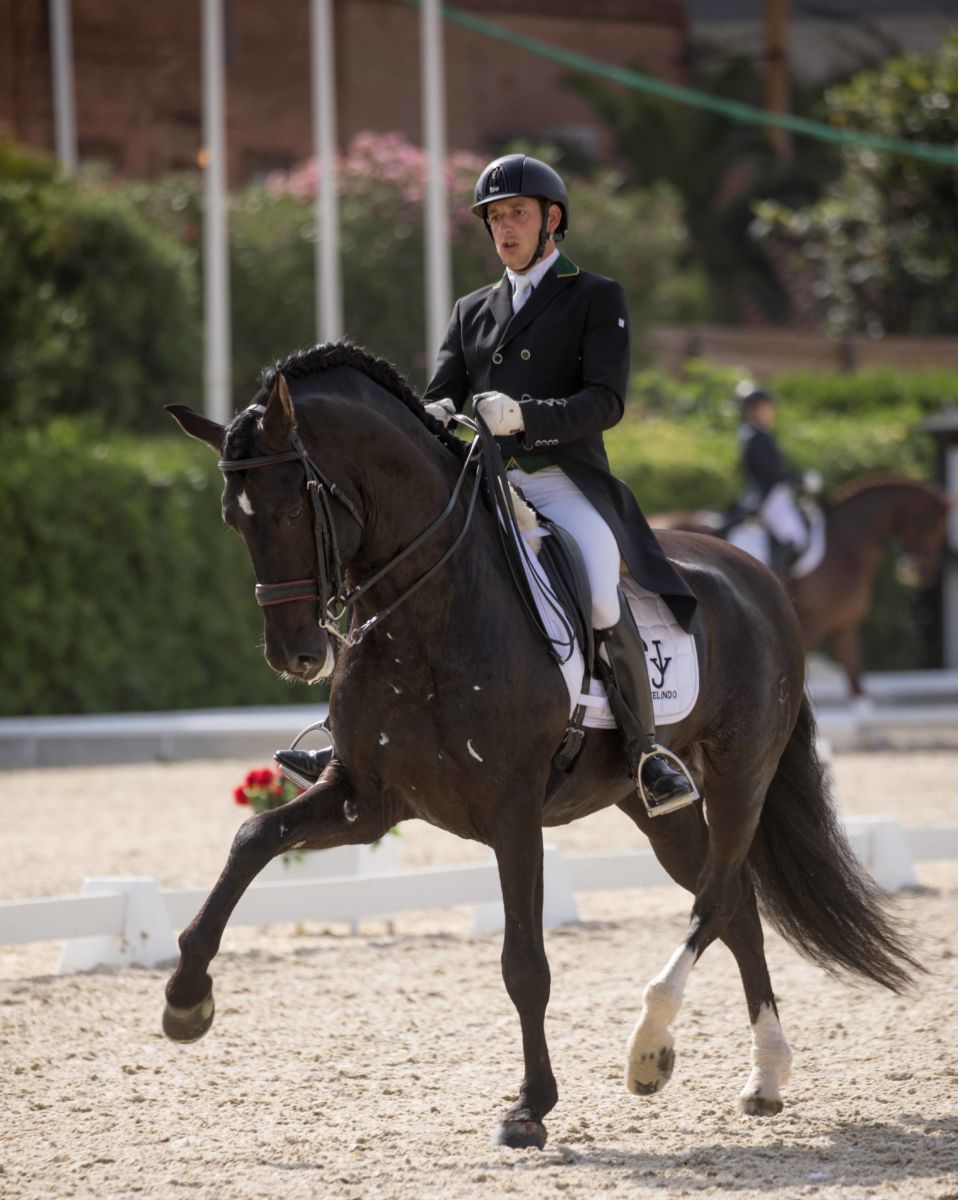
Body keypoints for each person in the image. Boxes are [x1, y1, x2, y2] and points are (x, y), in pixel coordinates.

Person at [278, 153, 698, 815]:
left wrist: (529, 417)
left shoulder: (594, 297)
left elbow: (606, 401)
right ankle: (341, 740)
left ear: (551, 221)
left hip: (561, 480)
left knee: (597, 586)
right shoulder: (473, 309)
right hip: (482, 481)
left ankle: (647, 751)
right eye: (496, 217)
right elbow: (441, 394)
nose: (505, 228)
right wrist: (434, 413)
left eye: (517, 215)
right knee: (390, 572)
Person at [733, 382, 810, 569]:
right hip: (767, 494)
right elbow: (768, 471)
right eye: (766, 408)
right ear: (754, 410)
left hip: (769, 491)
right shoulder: (754, 436)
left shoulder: (758, 434)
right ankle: (775, 577)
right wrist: (797, 479)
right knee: (795, 536)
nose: (771, 412)